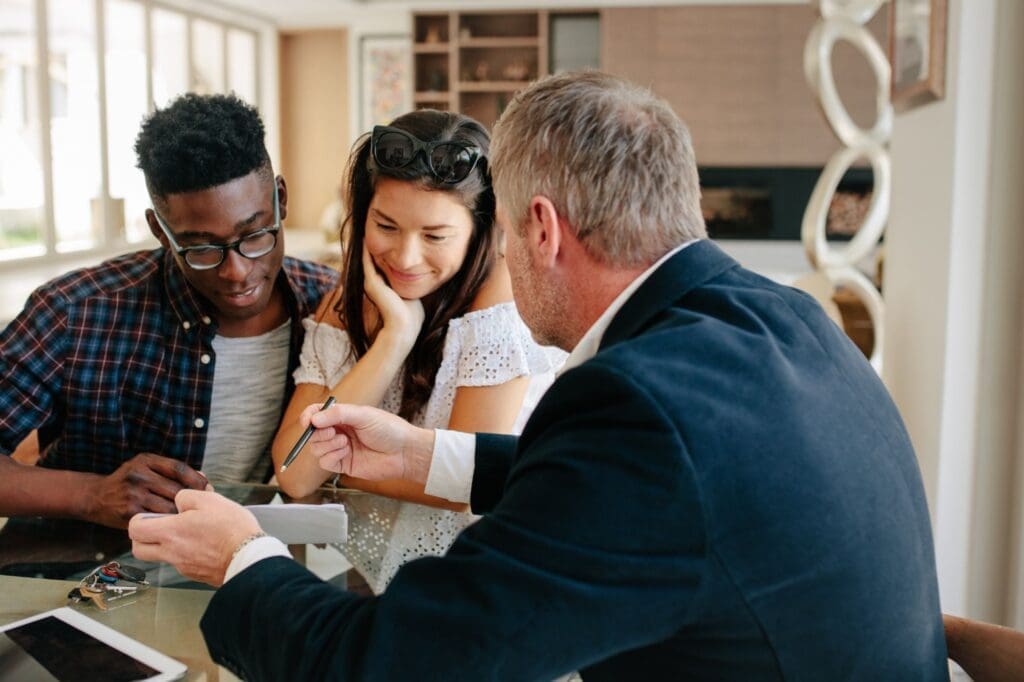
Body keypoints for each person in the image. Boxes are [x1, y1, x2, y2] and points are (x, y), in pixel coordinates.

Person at [129, 72, 948, 680]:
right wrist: (424, 457)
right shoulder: (788, 318)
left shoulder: (637, 404)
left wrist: (242, 558)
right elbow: (656, 493)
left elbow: (395, 667)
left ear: (541, 228)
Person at [0, 93, 337, 529]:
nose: (237, 272)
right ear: (160, 230)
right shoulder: (75, 312)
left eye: (255, 235)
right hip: (82, 578)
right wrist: (90, 494)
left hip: (253, 576)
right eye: (201, 248)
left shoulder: (330, 308)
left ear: (280, 199)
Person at [270, 109, 563, 590]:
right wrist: (394, 339)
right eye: (385, 226)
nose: (406, 258)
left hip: (489, 577)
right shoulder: (344, 305)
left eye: (435, 236)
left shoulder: (500, 306)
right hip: (379, 573)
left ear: (479, 231)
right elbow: (294, 474)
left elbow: (461, 482)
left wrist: (337, 471)